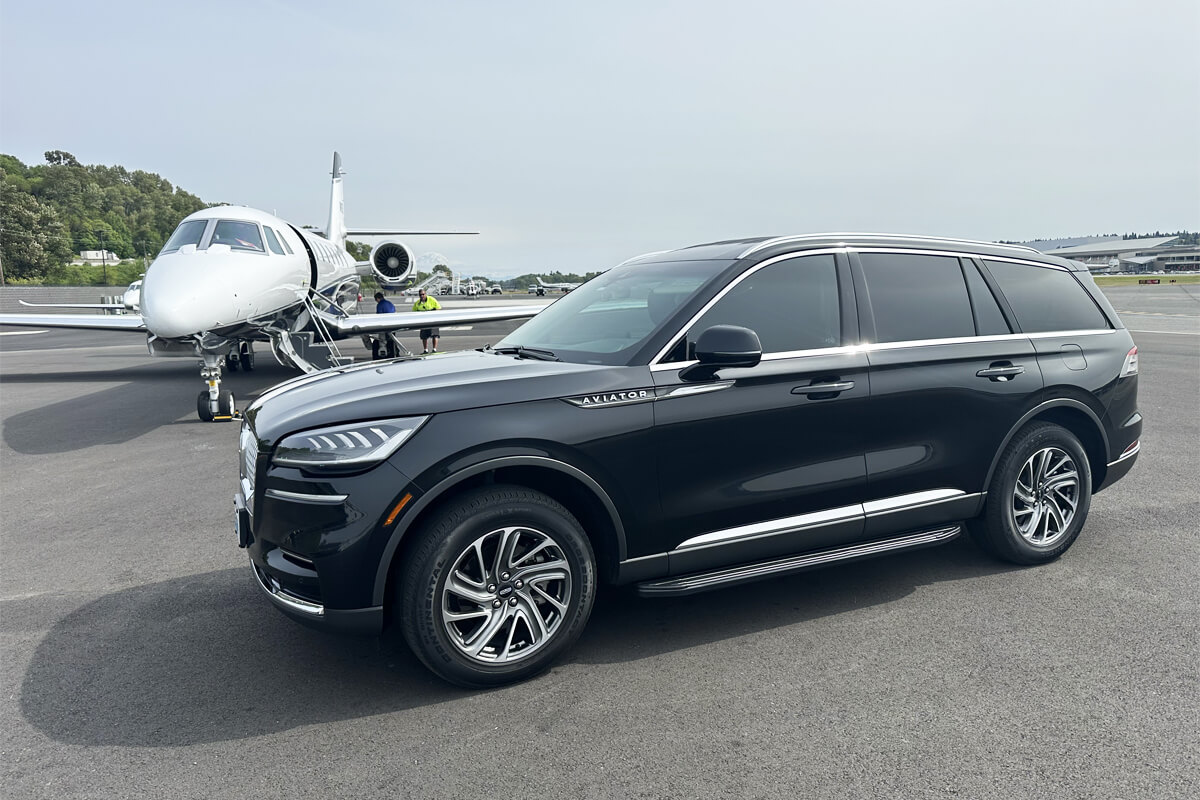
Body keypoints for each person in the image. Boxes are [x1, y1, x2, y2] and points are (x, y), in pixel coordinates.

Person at [412, 288, 441, 353]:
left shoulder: (432, 299)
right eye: (420, 295)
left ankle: (434, 349)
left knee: (435, 335)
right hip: (423, 321)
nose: (422, 296)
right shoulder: (417, 303)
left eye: (423, 294)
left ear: (425, 294)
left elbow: (438, 308)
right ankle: (425, 350)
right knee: (424, 336)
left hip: (433, 320)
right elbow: (414, 312)